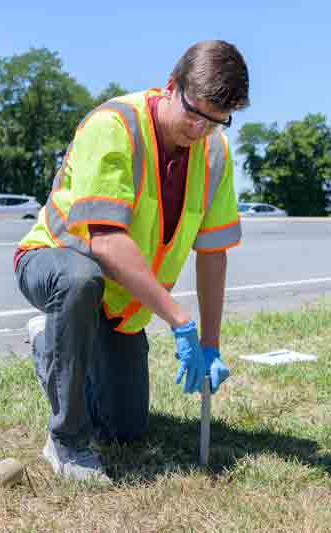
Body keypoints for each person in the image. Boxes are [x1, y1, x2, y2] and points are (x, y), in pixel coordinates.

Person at [13, 40, 249, 483]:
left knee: (126, 429)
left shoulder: (214, 152)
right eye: (194, 114)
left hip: (123, 298)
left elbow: (212, 251)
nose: (201, 130)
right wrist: (180, 321)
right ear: (170, 86)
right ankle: (66, 440)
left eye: (217, 121)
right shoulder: (114, 125)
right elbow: (104, 241)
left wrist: (211, 342)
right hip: (56, 264)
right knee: (80, 280)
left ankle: (66, 348)